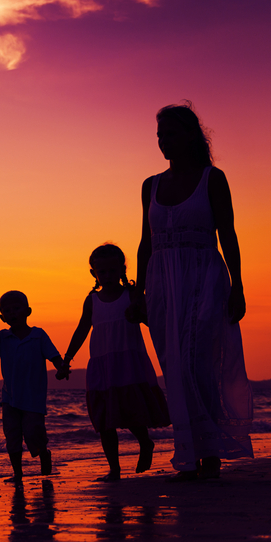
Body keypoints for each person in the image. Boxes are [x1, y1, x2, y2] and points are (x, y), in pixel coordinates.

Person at [129, 103, 253, 480]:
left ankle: (209, 453)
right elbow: (144, 243)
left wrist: (238, 285)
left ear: (190, 136)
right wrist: (139, 293)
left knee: (198, 360)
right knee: (174, 365)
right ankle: (188, 450)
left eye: (170, 133)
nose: (164, 142)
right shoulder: (151, 185)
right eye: (159, 136)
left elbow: (227, 234)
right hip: (162, 283)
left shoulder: (212, 179)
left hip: (204, 277)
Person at [61, 244, 170, 481]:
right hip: (101, 364)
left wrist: (139, 315)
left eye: (113, 271)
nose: (108, 276)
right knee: (105, 419)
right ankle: (115, 469)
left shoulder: (131, 295)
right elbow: (82, 329)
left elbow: (153, 321)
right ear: (94, 274)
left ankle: (145, 443)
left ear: (123, 270)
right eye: (103, 272)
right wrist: (67, 358)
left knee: (133, 411)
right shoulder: (92, 300)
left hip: (129, 362)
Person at [0, 290, 66, 484]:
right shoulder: (2, 338)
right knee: (12, 435)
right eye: (7, 311)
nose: (13, 313)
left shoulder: (38, 335)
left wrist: (61, 368)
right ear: (2, 317)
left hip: (33, 397)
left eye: (17, 309)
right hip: (9, 397)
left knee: (33, 432)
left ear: (28, 311)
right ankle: (17, 473)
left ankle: (43, 453)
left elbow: (54, 356)